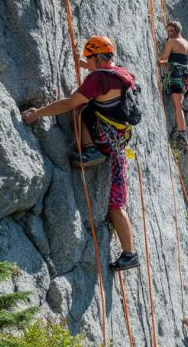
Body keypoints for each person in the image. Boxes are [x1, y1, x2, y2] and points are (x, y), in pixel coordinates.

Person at [22, 36, 141, 272]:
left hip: (105, 142)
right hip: (119, 141)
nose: (87, 62)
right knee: (117, 204)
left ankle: (89, 151)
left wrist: (38, 114)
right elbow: (102, 74)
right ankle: (130, 254)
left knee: (79, 108)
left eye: (89, 59)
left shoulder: (97, 79)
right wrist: (84, 64)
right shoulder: (119, 73)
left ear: (97, 57)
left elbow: (69, 103)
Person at [158, 21, 188, 148]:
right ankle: (181, 124)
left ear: (177, 31)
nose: (169, 33)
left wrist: (160, 60)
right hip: (187, 78)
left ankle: (182, 135)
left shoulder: (172, 42)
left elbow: (164, 60)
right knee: (180, 105)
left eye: (171, 31)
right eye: (168, 31)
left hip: (176, 76)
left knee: (178, 106)